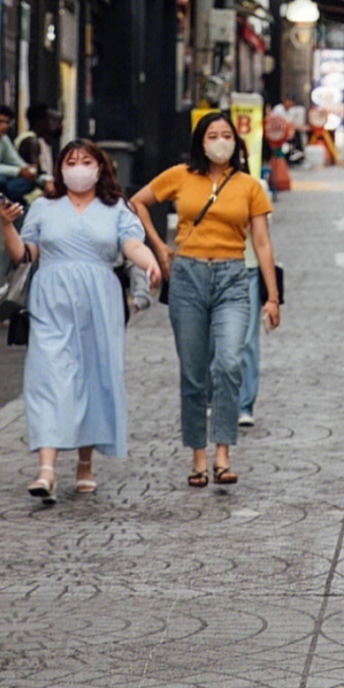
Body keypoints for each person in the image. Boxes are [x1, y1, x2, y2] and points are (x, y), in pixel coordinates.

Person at [0, 139, 160, 503]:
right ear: (60, 168)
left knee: (93, 374)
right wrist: (7, 226)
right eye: (71, 161)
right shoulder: (43, 207)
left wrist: (149, 262)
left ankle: (85, 462)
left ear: (100, 168)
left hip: (99, 299)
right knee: (48, 376)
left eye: (86, 161)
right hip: (50, 298)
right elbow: (24, 254)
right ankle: (46, 470)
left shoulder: (115, 207)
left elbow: (132, 244)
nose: (78, 167)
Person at [131, 112, 281, 488]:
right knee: (193, 372)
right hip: (187, 277)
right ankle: (198, 457)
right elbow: (138, 201)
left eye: (226, 134)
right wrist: (160, 247)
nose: (219, 141)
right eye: (212, 135)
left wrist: (273, 296)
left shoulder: (249, 186)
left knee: (229, 363)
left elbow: (261, 243)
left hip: (233, 278)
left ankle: (223, 453)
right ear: (200, 141)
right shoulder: (181, 176)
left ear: (237, 141)